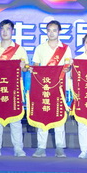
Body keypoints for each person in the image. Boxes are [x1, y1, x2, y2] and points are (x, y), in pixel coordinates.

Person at [0, 19, 29, 157]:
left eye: (8, 29)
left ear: (12, 31)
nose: (5, 32)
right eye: (2, 29)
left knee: (15, 120)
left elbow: (26, 68)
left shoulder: (19, 49)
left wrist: (23, 67)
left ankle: (18, 149)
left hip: (13, 89)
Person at [31, 20, 73, 158]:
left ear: (59, 32)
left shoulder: (65, 49)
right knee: (42, 114)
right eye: (49, 30)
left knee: (59, 115)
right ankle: (41, 147)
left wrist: (67, 68)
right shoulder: (40, 48)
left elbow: (69, 66)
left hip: (59, 86)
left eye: (54, 30)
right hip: (43, 87)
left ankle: (60, 147)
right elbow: (35, 66)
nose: (51, 33)